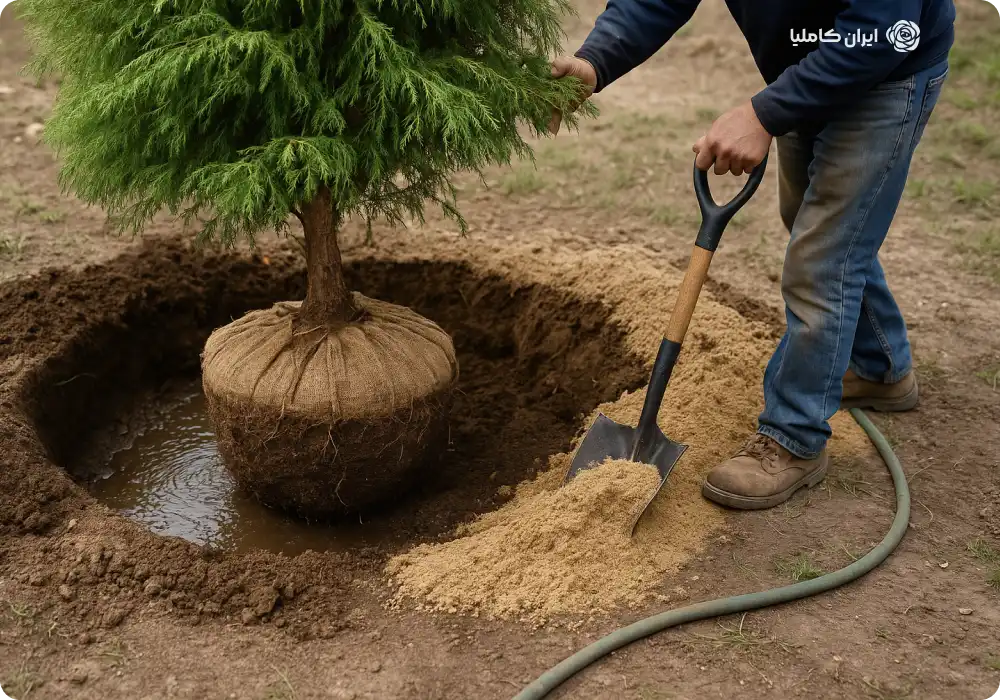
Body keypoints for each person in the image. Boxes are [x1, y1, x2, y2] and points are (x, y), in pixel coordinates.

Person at [549, 1, 955, 510]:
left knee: (823, 258)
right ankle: (880, 366)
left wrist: (763, 113)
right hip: (807, 69)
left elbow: (882, 33)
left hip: (887, 73)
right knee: (819, 228)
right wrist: (596, 59)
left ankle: (793, 438)